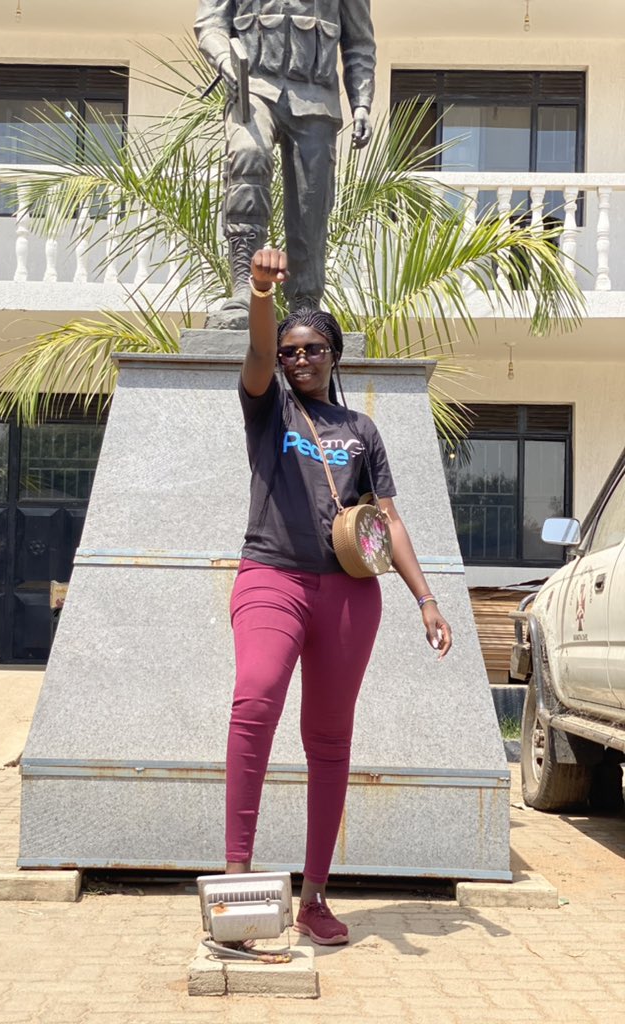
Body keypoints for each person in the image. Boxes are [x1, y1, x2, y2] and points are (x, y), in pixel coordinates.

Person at [226, 247, 453, 945]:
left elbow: (387, 522)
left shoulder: (363, 432)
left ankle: (314, 897)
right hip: (273, 577)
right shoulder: (269, 408)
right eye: (292, 350)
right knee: (256, 696)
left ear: (334, 355)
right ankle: (237, 882)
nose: (298, 358)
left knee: (329, 740)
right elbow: (258, 356)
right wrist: (262, 293)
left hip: (350, 596)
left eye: (312, 348)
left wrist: (425, 599)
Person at [194, 0, 376, 328]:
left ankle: (305, 301)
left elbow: (359, 43)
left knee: (311, 203)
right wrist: (224, 60)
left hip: (315, 97)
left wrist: (361, 103)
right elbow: (210, 26)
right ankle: (244, 290)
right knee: (249, 155)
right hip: (253, 89)